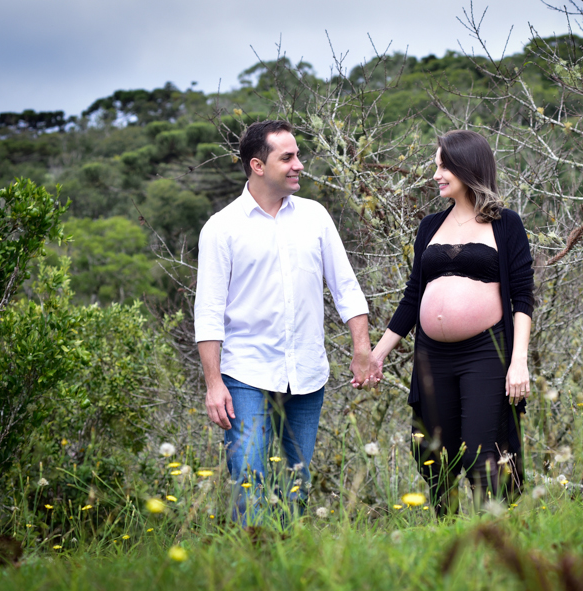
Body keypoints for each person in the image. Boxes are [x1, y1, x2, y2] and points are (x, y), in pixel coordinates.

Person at [194, 119, 379, 525]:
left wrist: (362, 350)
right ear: (258, 166)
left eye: (298, 155)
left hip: (308, 375)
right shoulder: (221, 228)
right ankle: (256, 566)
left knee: (296, 482)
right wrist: (213, 384)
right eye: (288, 157)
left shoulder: (315, 217)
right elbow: (208, 314)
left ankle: (288, 562)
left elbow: (347, 289)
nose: (300, 164)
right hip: (246, 374)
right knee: (249, 476)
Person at [371, 129, 534, 514]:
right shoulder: (430, 226)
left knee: (482, 452)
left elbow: (523, 298)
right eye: (436, 166)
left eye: (443, 166)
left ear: (466, 166)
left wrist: (519, 361)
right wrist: (376, 355)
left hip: (485, 353)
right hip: (432, 357)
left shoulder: (506, 224)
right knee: (434, 453)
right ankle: (444, 533)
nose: (436, 175)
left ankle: (490, 535)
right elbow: (413, 297)